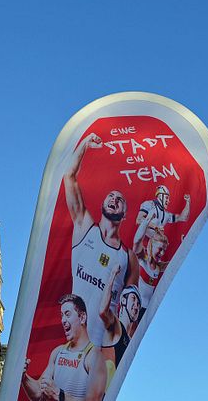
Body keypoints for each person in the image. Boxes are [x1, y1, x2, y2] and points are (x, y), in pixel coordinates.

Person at [64, 132, 140, 347]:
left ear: (124, 214)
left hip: (102, 345)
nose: (114, 199)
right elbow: (69, 176)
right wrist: (85, 144)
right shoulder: (85, 227)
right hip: (74, 338)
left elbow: (130, 311)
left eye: (120, 199)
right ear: (103, 204)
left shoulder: (128, 257)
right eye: (111, 196)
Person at [21, 295, 106, 401]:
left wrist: (58, 394)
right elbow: (38, 394)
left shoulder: (95, 356)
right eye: (61, 315)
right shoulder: (58, 352)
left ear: (82, 317)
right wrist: (23, 377)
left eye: (67, 314)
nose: (63, 320)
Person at [133, 185, 190, 308]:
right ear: (160, 195)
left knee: (157, 267)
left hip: (158, 244)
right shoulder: (149, 205)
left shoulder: (166, 214)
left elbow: (183, 217)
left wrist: (188, 202)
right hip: (145, 241)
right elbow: (138, 220)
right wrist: (154, 226)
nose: (169, 201)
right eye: (167, 198)